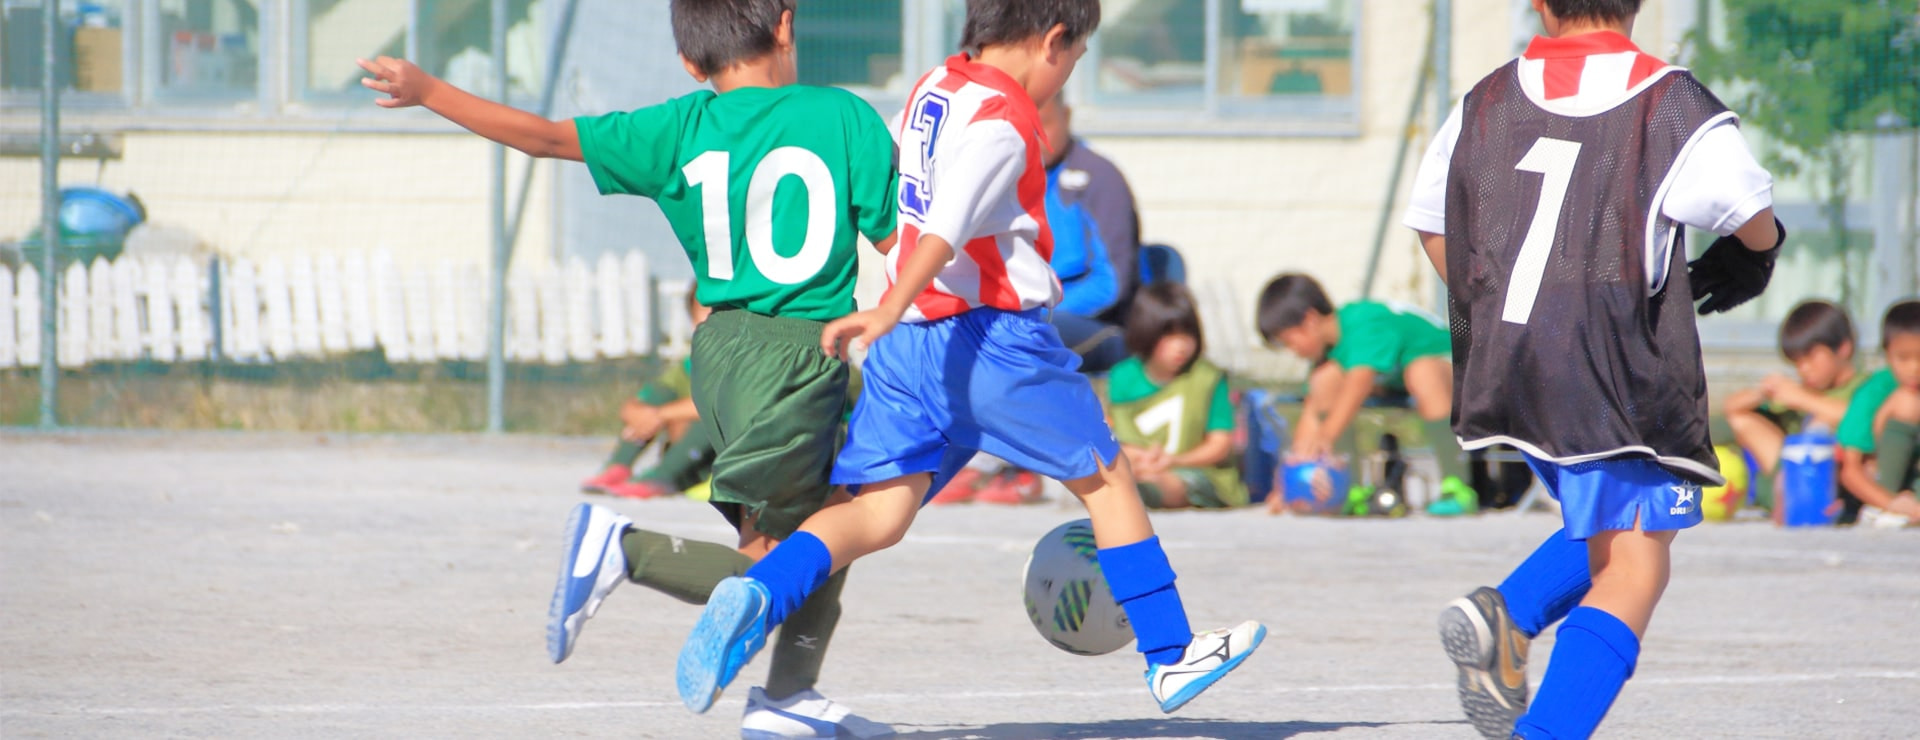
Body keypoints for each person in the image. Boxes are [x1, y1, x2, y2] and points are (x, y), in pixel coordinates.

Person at [674, 0, 1264, 717]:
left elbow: (898, 191)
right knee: (1107, 479)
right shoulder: (1008, 120)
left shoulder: (932, 87)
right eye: (1076, 59)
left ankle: (758, 593)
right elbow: (946, 226)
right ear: (1053, 39)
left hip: (909, 348)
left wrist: (893, 309)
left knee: (878, 512)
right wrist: (887, 304)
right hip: (991, 341)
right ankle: (1170, 655)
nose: (1068, 75)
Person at [357, 0, 900, 735]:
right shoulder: (844, 117)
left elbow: (546, 139)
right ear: (785, 24)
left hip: (717, 353)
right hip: (796, 358)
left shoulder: (678, 125)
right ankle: (624, 551)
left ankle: (787, 701)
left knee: (818, 537)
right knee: (796, 564)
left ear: (689, 62)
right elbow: (904, 236)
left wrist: (429, 92)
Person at [1403, 0, 1786, 737]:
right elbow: (1748, 206)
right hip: (1610, 366)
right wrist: (1758, 251)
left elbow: (1430, 220)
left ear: (1540, 5)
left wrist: (1492, 311)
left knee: (1618, 523)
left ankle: (1505, 619)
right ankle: (1530, 681)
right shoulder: (1667, 98)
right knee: (1636, 563)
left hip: (1509, 361)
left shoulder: (1486, 97)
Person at [1255, 273, 1478, 515]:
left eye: (1289, 342)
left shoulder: (1362, 321)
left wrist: (1327, 435)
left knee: (1422, 372)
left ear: (1309, 320)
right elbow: (1311, 414)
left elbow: (1359, 382)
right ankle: (1351, 488)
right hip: (1401, 378)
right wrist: (1289, 483)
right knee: (1324, 380)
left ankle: (1456, 484)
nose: (1293, 351)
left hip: (1460, 366)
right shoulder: (1329, 352)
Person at [1106, 282, 1246, 509]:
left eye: (1186, 335)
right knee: (1118, 472)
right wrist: (1142, 460)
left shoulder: (1208, 378)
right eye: (1169, 337)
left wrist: (1173, 461)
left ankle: (1142, 496)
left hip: (1198, 473)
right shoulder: (1122, 377)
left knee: (1169, 483)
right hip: (1141, 467)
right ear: (1146, 332)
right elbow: (1123, 440)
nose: (1180, 346)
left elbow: (1220, 445)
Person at [1723, 300, 1864, 518]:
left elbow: (1858, 418)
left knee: (1821, 424)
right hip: (1787, 477)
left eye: (1811, 357)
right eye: (1797, 362)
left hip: (1841, 483)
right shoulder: (1800, 389)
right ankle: (1786, 495)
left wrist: (1802, 399)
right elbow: (1732, 408)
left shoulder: (1867, 387)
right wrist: (1764, 391)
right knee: (1743, 420)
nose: (1804, 369)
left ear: (1844, 348)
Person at [580, 291, 717, 500]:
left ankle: (662, 477)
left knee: (712, 412)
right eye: (705, 312)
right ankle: (619, 465)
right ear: (692, 320)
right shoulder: (691, 364)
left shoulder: (742, 362)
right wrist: (642, 412)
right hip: (682, 449)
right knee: (659, 395)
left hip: (714, 461)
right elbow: (639, 403)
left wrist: (662, 415)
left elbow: (719, 404)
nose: (713, 318)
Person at [1040, 93, 1139, 372]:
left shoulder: (1098, 178)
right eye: (1024, 128)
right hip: (1029, 316)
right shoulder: (1008, 179)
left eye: (1044, 124)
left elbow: (1112, 285)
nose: (1034, 137)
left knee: (1022, 338)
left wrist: (1041, 315)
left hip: (1100, 324)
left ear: (1067, 116)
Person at [1836, 300, 1920, 525]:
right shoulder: (1873, 392)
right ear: (1887, 353)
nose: (1914, 368)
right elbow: (1850, 470)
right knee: (1907, 401)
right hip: (1878, 486)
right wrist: (1890, 503)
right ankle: (1882, 510)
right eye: (1903, 358)